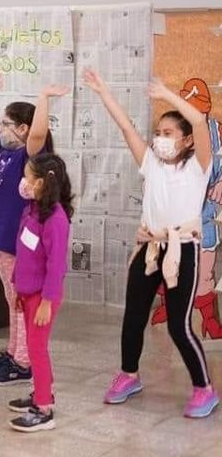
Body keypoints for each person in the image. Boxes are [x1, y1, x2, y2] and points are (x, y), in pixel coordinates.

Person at [86, 68, 219, 419]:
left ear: (187, 140)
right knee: (133, 316)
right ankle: (129, 375)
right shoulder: (151, 163)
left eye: (169, 133)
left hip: (183, 249)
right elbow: (126, 126)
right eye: (158, 133)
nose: (160, 138)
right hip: (148, 248)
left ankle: (204, 387)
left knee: (178, 324)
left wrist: (166, 94)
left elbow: (198, 119)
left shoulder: (198, 166)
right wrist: (103, 91)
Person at [0, 78, 64, 386]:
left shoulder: (28, 155)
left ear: (24, 129)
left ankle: (24, 362)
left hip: (16, 243)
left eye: (8, 124)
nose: (1, 129)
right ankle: (14, 352)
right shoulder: (2, 149)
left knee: (21, 301)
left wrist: (43, 97)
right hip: (0, 238)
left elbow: (40, 133)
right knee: (11, 299)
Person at [7, 154, 74, 432]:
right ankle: (42, 392)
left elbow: (56, 265)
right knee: (36, 348)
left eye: (28, 178)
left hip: (43, 296)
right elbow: (23, 253)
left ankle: (44, 408)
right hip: (28, 292)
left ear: (44, 182)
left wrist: (47, 301)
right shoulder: (31, 210)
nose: (24, 183)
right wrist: (16, 286)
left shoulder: (56, 219)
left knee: (36, 349)